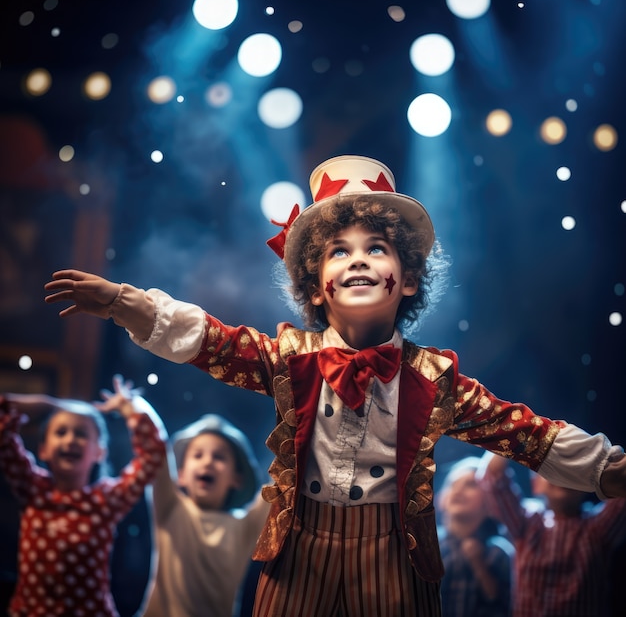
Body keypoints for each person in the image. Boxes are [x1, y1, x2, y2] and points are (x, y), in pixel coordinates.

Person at [43, 154, 626, 617]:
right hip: (300, 549)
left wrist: (606, 469)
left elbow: (520, 430)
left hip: (396, 556)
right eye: (339, 251)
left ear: (409, 280)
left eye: (377, 247)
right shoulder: (286, 358)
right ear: (316, 286)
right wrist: (124, 300)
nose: (359, 260)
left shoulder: (435, 378)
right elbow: (212, 342)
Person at [0, 375, 166, 617]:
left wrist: (131, 410)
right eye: (61, 432)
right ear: (43, 449)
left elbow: (152, 458)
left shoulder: (106, 500)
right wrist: (49, 404)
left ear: (99, 452)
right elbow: (3, 435)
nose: (70, 440)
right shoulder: (33, 489)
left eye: (80, 434)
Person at [141, 410, 269, 617]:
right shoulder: (170, 508)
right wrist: (134, 408)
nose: (207, 462)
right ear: (179, 475)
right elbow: (157, 449)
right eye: (198, 455)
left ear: (237, 478)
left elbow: (281, 483)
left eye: (219, 456)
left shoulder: (245, 528)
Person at [478, 451, 626, 617]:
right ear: (536, 484)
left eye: (572, 471)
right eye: (552, 470)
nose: (562, 476)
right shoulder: (526, 522)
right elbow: (492, 477)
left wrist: (599, 452)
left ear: (589, 484)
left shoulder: (598, 528)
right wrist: (523, 432)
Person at [437, 456, 513, 617]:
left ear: (490, 502)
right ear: (440, 499)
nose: (458, 490)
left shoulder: (498, 552)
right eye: (452, 484)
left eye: (470, 485)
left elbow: (504, 602)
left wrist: (479, 564)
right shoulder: (430, 545)